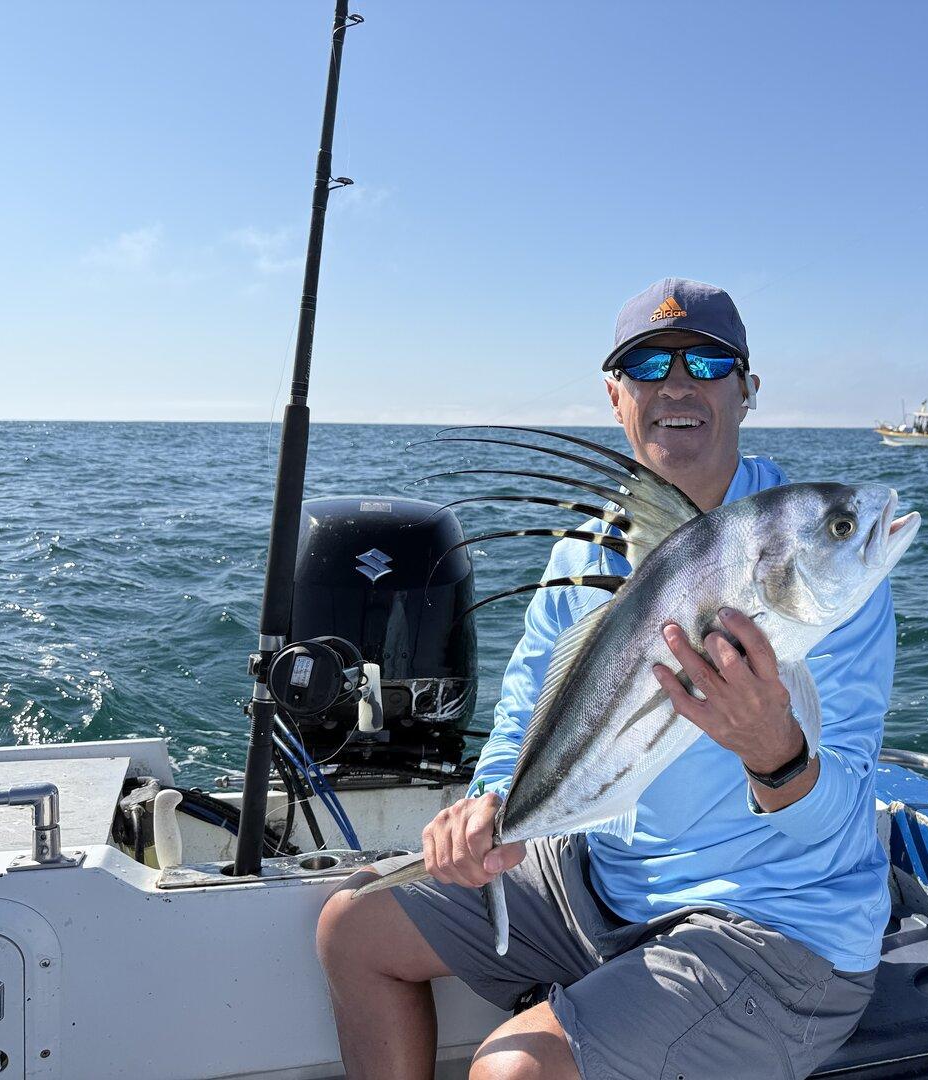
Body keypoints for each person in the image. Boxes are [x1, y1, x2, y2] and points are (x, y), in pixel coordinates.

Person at [317, 278, 897, 1080]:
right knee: (353, 926)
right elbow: (524, 710)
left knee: (510, 1073)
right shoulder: (583, 553)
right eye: (648, 363)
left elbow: (836, 828)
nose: (678, 382)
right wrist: (487, 804)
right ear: (615, 395)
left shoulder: (813, 556)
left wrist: (777, 756)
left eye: (708, 360)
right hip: (606, 877)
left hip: (777, 922)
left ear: (747, 389)